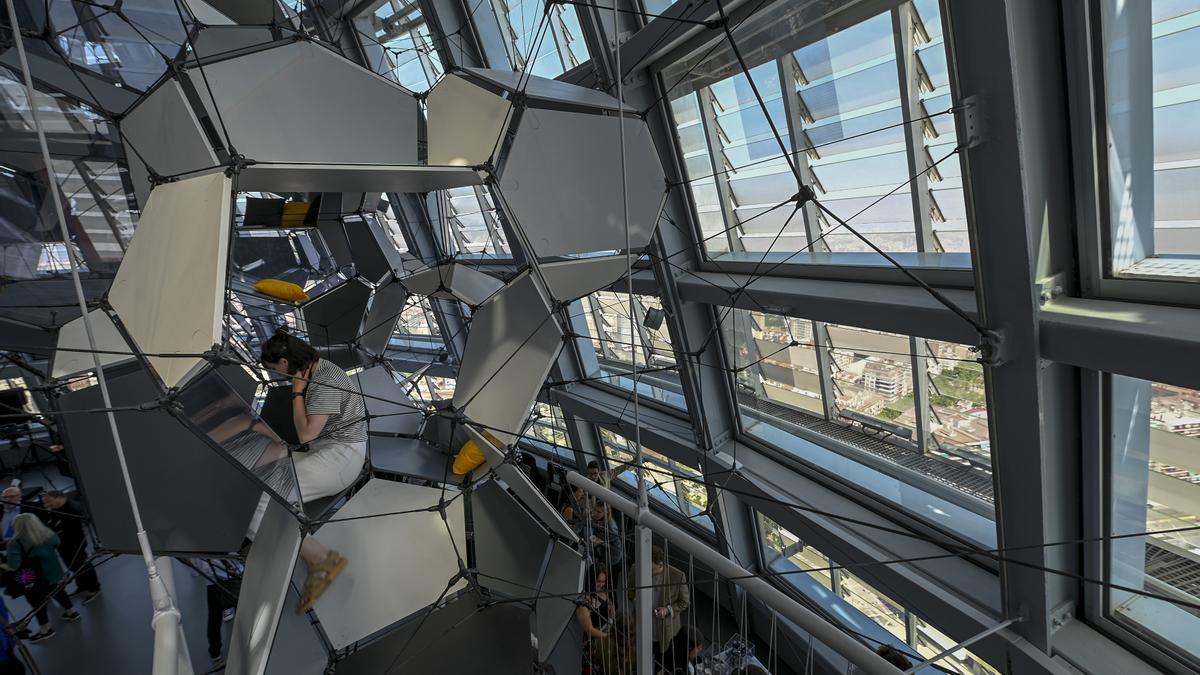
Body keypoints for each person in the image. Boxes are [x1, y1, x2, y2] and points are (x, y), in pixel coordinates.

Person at [258, 328, 368, 613]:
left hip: (339, 460)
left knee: (257, 503)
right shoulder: (319, 368)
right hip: (334, 451)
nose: (277, 377)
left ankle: (319, 558)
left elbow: (306, 434)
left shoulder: (324, 382)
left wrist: (295, 392)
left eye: (276, 371)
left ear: (285, 363)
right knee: (264, 484)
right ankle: (293, 533)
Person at [5, 513, 80, 642]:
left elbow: (14, 565)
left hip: (33, 578)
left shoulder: (15, 543)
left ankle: (45, 630)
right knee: (58, 592)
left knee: (37, 603)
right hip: (53, 571)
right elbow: (57, 542)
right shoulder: (47, 533)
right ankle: (72, 612)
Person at [39, 491, 101, 602]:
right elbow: (53, 524)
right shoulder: (55, 509)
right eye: (45, 503)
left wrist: (54, 529)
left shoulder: (72, 509)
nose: (47, 505)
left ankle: (94, 588)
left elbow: (63, 527)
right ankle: (82, 585)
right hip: (63, 545)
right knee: (73, 567)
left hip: (75, 544)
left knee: (83, 566)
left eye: (49, 501)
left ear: (58, 497)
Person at [575, 568, 629, 675]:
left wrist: (611, 609)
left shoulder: (604, 592)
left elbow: (612, 615)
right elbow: (589, 629)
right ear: (591, 580)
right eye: (598, 581)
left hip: (607, 634)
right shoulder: (583, 601)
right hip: (595, 642)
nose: (601, 584)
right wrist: (609, 637)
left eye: (603, 581)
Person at [648, 546, 689, 673]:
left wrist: (667, 610)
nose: (647, 572)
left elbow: (684, 602)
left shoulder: (677, 576)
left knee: (662, 663)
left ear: (660, 564)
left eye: (651, 569)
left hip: (665, 633)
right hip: (644, 628)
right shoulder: (637, 568)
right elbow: (631, 592)